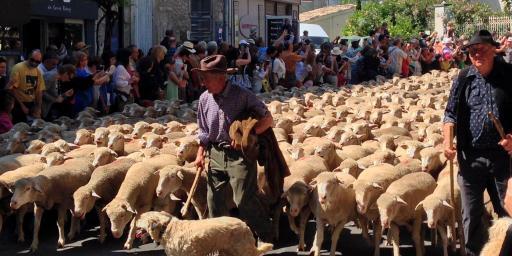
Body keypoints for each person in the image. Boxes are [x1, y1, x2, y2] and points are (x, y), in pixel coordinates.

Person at [443, 29, 512, 256]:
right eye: (472, 51)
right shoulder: (463, 78)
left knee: (508, 211)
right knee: (471, 213)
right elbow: (450, 114)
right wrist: (447, 143)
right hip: (470, 157)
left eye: (481, 49)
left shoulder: (509, 76)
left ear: (494, 50)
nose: (477, 54)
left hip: (503, 157)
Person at [193, 54, 274, 242]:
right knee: (214, 201)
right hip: (215, 153)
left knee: (243, 199)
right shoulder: (204, 99)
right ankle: (219, 239)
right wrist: (200, 154)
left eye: (206, 78)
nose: (203, 82)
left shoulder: (242, 95)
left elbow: (268, 119)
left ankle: (265, 234)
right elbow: (203, 130)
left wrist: (249, 136)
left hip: (239, 156)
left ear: (220, 78)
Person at [9, 49, 46, 123]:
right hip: (18, 103)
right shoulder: (18, 68)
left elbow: (39, 91)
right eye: (32, 60)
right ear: (28, 57)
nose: (34, 63)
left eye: (37, 62)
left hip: (30, 103)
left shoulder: (38, 72)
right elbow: (12, 89)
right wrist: (22, 105)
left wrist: (38, 107)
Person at [38, 51, 60, 119]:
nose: (54, 67)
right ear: (46, 61)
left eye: (56, 64)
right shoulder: (39, 71)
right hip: (40, 106)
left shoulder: (52, 70)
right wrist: (54, 99)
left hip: (48, 106)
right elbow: (41, 91)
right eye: (53, 64)